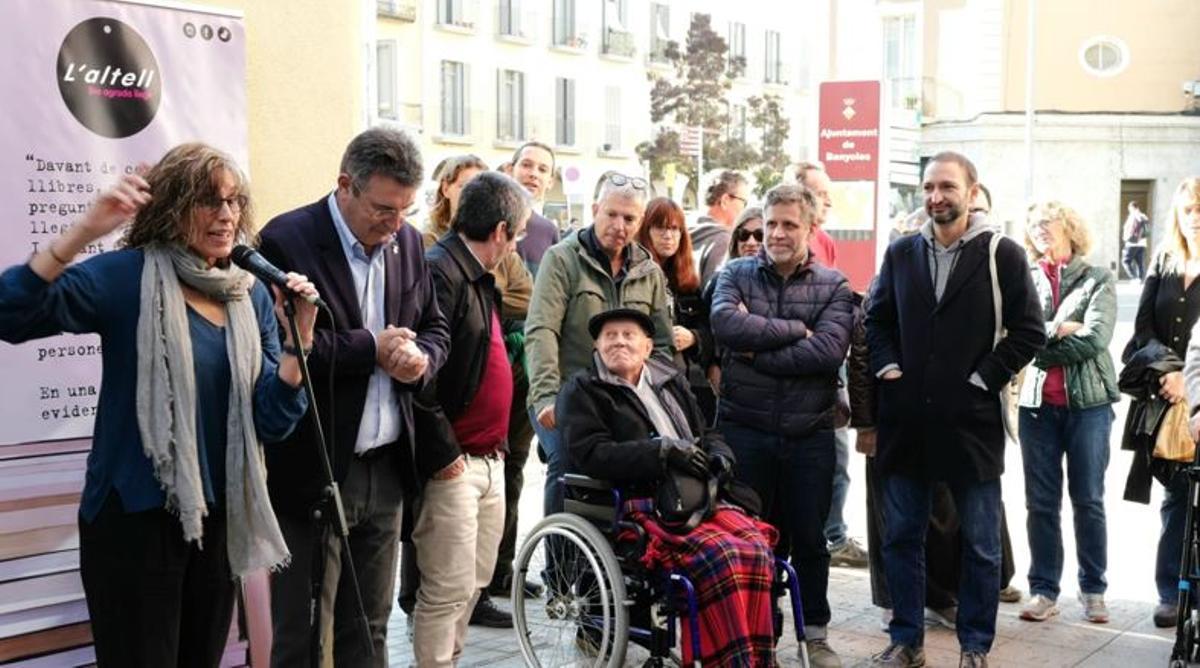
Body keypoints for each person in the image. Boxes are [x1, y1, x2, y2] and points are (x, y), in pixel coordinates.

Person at [0, 145, 318, 667]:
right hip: (134, 518)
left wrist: (295, 347)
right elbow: (12, 312)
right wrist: (83, 231)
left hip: (216, 522)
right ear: (171, 206)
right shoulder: (126, 277)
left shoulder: (250, 295)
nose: (226, 216)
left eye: (235, 202)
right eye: (208, 201)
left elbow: (270, 421)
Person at [258, 127, 451, 667]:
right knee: (302, 630)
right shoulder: (286, 241)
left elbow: (435, 326)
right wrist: (372, 348)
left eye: (405, 212)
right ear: (346, 185)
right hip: (316, 463)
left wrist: (421, 360)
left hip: (386, 465)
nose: (393, 226)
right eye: (383, 210)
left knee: (369, 628)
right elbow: (282, 351)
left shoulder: (409, 243)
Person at [866, 151, 1044, 668]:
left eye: (946, 186)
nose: (935, 197)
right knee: (902, 536)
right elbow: (876, 321)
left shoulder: (1002, 254)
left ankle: (974, 647)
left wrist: (983, 378)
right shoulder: (900, 253)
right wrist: (888, 368)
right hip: (907, 422)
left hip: (971, 424)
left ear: (971, 191)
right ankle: (906, 640)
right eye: (928, 188)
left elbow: (1030, 329)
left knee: (982, 545)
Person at [559, 308, 777, 665]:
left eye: (628, 335)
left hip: (697, 495)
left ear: (647, 347)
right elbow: (591, 454)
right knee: (718, 556)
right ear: (596, 346)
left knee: (756, 548)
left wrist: (721, 457)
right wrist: (660, 451)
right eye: (609, 336)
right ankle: (727, 659)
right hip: (640, 503)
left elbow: (706, 434)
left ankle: (754, 655)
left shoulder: (670, 380)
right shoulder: (583, 390)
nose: (619, 342)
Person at [711, 183, 856, 667]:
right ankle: (762, 634)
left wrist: (755, 352)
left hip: (808, 434)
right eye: (770, 223)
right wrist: (795, 331)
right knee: (752, 538)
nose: (776, 233)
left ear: (811, 229)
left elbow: (828, 352)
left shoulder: (834, 286)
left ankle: (815, 633)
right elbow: (727, 327)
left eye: (789, 224)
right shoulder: (734, 273)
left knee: (811, 539)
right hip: (744, 431)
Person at [405, 153, 534, 626]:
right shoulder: (442, 271)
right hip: (457, 462)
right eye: (517, 235)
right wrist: (448, 457)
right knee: (444, 592)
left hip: (486, 457)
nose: (517, 245)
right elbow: (422, 374)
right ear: (500, 230)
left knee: (469, 588)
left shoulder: (477, 276)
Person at [525, 172, 673, 522]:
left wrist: (666, 401)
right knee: (566, 460)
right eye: (611, 214)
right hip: (567, 390)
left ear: (640, 222)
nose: (619, 225)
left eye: (630, 218)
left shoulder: (648, 271)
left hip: (625, 398)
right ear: (595, 209)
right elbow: (541, 329)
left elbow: (663, 345)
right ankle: (558, 566)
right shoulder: (561, 259)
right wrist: (546, 395)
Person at [1015, 201, 1118, 625]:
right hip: (1037, 408)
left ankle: (1093, 590)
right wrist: (1058, 330)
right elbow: (1015, 334)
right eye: (1033, 223)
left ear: (1070, 228)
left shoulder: (1098, 278)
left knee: (1088, 500)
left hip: (1089, 407)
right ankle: (1043, 590)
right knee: (1040, 503)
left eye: (1048, 222)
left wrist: (1040, 338)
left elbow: (1095, 338)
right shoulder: (1023, 277)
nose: (1040, 229)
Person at [1121, 176, 1200, 630]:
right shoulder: (1164, 260)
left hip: (1198, 394)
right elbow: (1143, 329)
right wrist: (1172, 373)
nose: (1193, 217)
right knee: (1175, 498)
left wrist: (1191, 381)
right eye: (1187, 209)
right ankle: (1171, 592)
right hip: (1166, 398)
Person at [637, 197, 716, 425]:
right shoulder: (634, 276)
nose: (668, 235)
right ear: (646, 230)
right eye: (660, 227)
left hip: (689, 384)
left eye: (675, 229)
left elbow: (710, 331)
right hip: (648, 383)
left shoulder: (689, 281)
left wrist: (693, 337)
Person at [691, 170, 751, 286]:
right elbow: (716, 292)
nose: (744, 209)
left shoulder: (682, 230)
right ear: (725, 200)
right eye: (744, 202)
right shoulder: (723, 240)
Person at [1123, 200, 1150, 281]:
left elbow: (1128, 230)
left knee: (1126, 261)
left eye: (1129, 209)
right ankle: (1141, 280)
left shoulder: (1133, 215)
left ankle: (1134, 278)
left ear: (1132, 208)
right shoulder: (1144, 216)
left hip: (1132, 243)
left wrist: (1126, 238)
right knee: (1140, 263)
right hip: (1142, 244)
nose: (1129, 211)